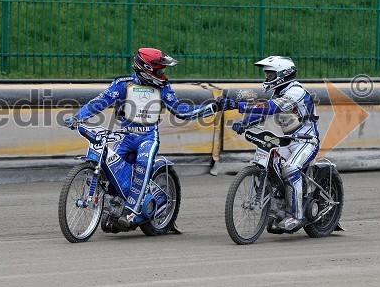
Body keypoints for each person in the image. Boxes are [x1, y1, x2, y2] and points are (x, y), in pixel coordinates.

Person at [64, 48, 217, 228]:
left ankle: (131, 211)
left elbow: (181, 111)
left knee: (142, 165)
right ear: (146, 69)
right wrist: (78, 117)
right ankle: (114, 206)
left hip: (148, 138)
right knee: (110, 172)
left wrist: (210, 107)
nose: (163, 74)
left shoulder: (163, 88)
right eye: (159, 70)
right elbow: (99, 102)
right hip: (126, 137)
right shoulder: (123, 84)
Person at [217, 56, 320, 231]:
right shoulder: (278, 92)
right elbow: (262, 112)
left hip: (306, 140)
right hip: (288, 141)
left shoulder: (296, 92)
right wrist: (245, 123)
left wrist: (237, 105)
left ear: (283, 74)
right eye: (267, 74)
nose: (267, 78)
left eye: (271, 74)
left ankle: (295, 216)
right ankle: (277, 209)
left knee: (290, 168)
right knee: (273, 168)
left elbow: (272, 108)